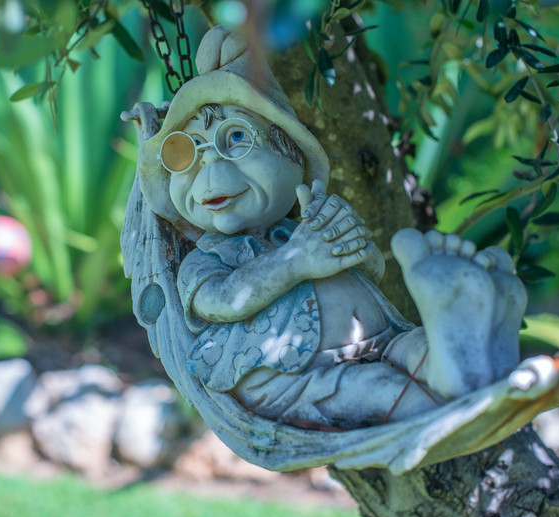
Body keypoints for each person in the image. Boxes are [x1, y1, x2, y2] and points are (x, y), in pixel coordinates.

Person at [127, 25, 528, 431]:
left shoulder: (300, 227)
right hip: (292, 378)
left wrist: (349, 242)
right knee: (380, 388)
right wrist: (297, 259)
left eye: (237, 138)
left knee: (416, 348)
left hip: (382, 341)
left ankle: (472, 345)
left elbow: (369, 270)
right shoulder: (207, 259)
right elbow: (225, 301)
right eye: (186, 151)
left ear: (294, 157)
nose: (211, 164)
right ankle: (460, 402)